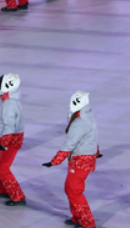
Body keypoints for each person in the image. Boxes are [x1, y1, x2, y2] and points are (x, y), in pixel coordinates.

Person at [42, 91, 101, 228]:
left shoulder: (80, 123)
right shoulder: (89, 116)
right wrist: (96, 152)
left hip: (81, 160)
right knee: (69, 188)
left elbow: (69, 144)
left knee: (74, 191)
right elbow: (93, 136)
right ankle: (77, 217)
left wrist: (54, 161)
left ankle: (87, 222)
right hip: (84, 158)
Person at [0, 73, 26, 206]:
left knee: (3, 168)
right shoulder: (9, 100)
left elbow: (10, 126)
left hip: (10, 140)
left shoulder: (9, 104)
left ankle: (18, 196)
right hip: (6, 139)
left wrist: (4, 143)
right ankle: (5, 190)